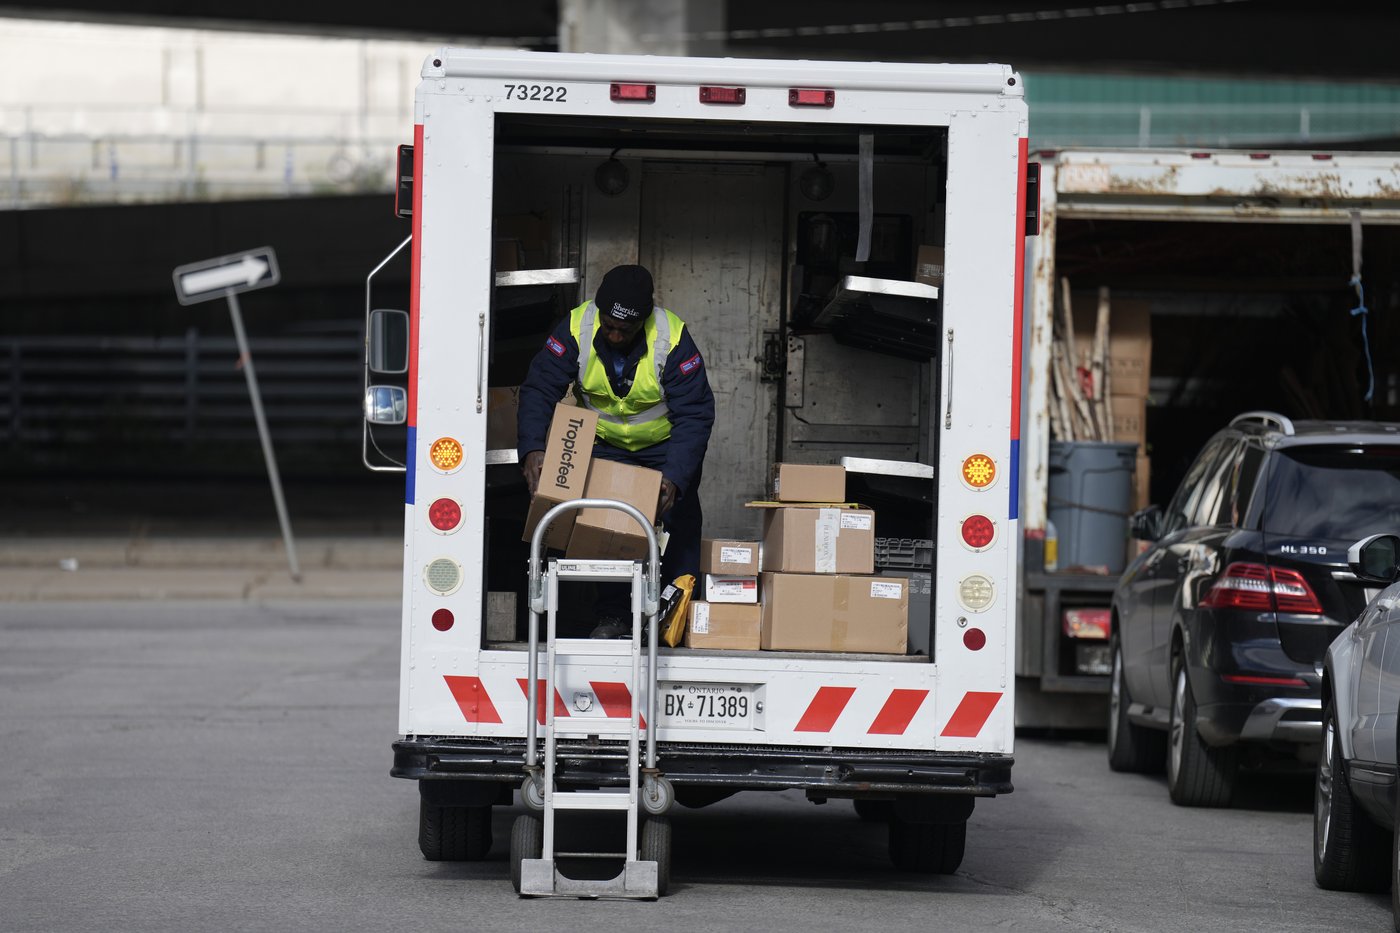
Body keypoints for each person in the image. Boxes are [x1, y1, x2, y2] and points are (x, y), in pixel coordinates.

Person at [517, 264, 715, 637]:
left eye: (625, 329)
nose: (614, 334)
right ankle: (614, 616)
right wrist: (532, 449)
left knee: (678, 522)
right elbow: (539, 389)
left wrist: (674, 477)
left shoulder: (671, 337)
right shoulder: (577, 327)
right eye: (609, 324)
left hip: (664, 447)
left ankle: (676, 619)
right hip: (607, 444)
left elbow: (695, 413)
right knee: (607, 527)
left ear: (643, 320)